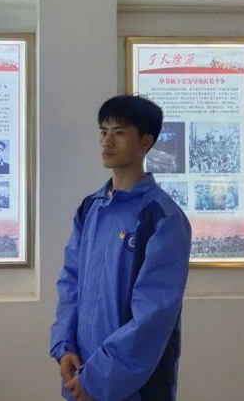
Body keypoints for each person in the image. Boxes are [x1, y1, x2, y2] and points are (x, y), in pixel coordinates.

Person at [49, 94, 192, 401]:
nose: (107, 141)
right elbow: (70, 282)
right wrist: (65, 346)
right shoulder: (91, 208)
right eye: (103, 132)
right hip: (82, 370)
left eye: (119, 132)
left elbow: (154, 314)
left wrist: (99, 377)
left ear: (145, 141)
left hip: (134, 383)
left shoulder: (162, 217)